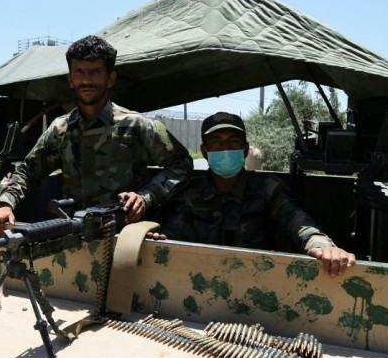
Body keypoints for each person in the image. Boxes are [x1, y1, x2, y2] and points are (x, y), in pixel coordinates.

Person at [0, 35, 193, 237]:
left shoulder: (136, 125)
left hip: (126, 239)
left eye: (94, 72)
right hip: (75, 236)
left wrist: (145, 197)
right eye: (80, 72)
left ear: (110, 78)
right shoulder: (60, 130)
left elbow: (181, 165)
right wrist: (5, 204)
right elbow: (27, 172)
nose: (86, 80)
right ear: (70, 79)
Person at [149, 112, 356, 278]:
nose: (226, 148)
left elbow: (297, 221)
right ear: (204, 151)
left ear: (245, 149)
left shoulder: (267, 188)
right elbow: (169, 234)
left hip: (258, 283)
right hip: (199, 279)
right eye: (217, 142)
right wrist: (156, 241)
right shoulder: (189, 191)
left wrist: (322, 247)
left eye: (233, 141)